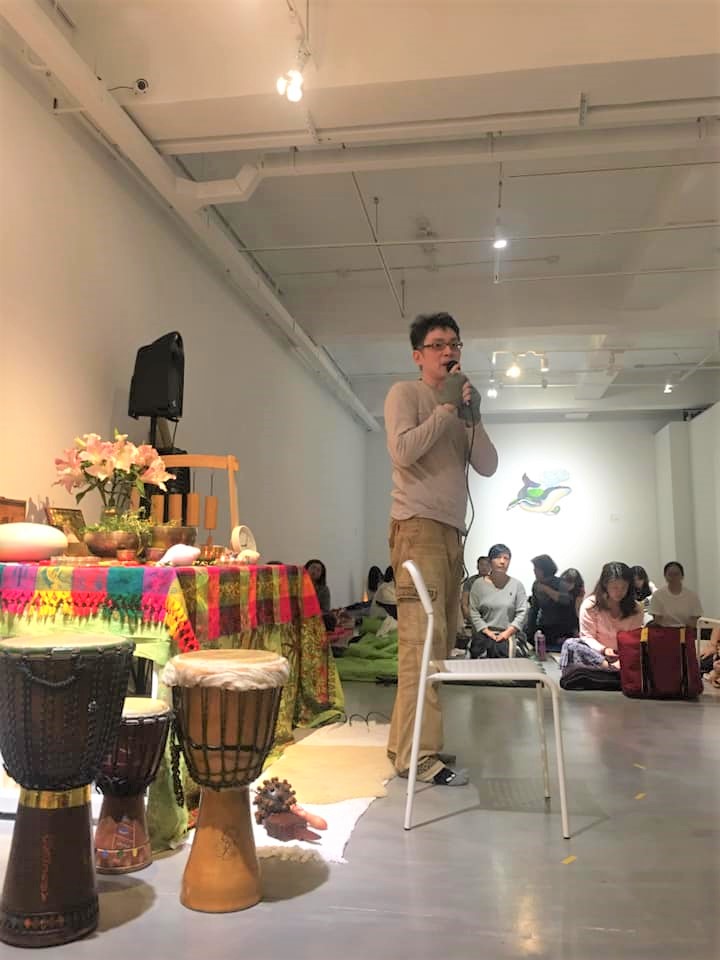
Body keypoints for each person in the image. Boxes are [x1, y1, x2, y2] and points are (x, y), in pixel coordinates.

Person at [384, 311, 498, 786]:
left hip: (451, 533)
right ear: (418, 355)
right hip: (417, 528)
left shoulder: (460, 404)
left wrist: (472, 418)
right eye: (438, 344)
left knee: (441, 641)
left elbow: (488, 465)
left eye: (455, 343)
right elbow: (402, 451)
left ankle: (406, 745)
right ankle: (420, 756)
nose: (449, 351)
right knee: (421, 644)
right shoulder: (406, 394)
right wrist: (446, 408)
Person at [560, 562, 643, 670]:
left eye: (624, 587)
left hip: (624, 656)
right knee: (571, 644)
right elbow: (587, 637)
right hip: (597, 655)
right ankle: (610, 668)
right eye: (615, 587)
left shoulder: (636, 609)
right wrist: (604, 650)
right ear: (605, 585)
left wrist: (622, 657)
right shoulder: (591, 605)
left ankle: (615, 669)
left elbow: (633, 639)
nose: (619, 591)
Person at [468, 544, 527, 659]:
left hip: (510, 635)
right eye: (498, 557)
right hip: (484, 634)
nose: (502, 562)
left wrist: (507, 632)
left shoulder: (517, 585)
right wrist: (486, 630)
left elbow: (522, 612)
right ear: (490, 561)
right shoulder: (478, 584)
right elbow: (473, 611)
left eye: (506, 558)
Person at [526, 554, 578, 651]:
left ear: (544, 569)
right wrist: (530, 630)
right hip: (544, 625)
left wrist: (546, 590)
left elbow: (567, 602)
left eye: (536, 568)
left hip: (561, 626)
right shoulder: (536, 584)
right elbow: (534, 609)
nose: (534, 571)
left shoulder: (560, 583)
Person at [648, 561, 703, 629]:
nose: (673, 577)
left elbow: (696, 619)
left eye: (676, 574)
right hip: (664, 631)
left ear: (682, 576)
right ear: (665, 576)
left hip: (686, 630)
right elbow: (657, 620)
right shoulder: (657, 595)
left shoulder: (692, 596)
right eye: (670, 574)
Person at [305, 558, 336, 631]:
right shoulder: (297, 585)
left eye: (318, 570)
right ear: (306, 569)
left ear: (321, 574)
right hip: (299, 615)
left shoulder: (324, 589)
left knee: (329, 619)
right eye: (313, 568)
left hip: (315, 616)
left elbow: (325, 610)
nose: (314, 571)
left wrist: (312, 614)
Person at [460, 556, 491, 624]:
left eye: (487, 565)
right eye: (482, 564)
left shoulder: (495, 582)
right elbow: (464, 603)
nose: (484, 567)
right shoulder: (470, 581)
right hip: (473, 618)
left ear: (490, 567)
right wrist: (469, 619)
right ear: (477, 566)